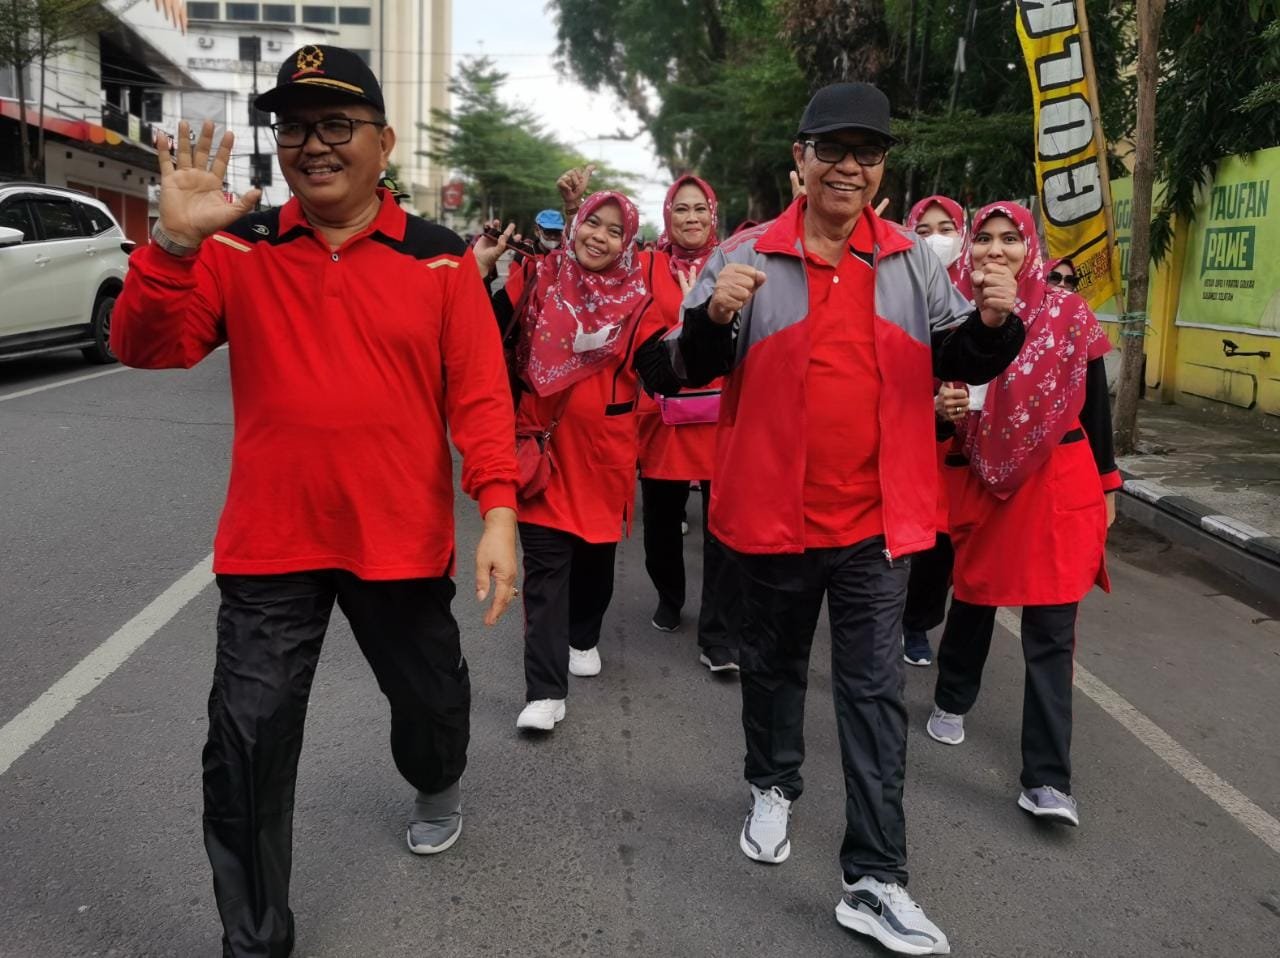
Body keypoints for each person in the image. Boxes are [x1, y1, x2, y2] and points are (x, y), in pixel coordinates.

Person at [110, 45, 519, 958]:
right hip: (273, 545)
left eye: (337, 124)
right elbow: (147, 348)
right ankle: (255, 940)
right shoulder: (238, 248)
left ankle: (436, 777)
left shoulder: (441, 261)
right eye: (294, 126)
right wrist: (171, 246)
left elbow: (482, 397)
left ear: (384, 142)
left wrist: (497, 511)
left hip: (401, 543)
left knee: (431, 704)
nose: (313, 144)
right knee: (245, 744)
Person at [668, 82, 1026, 955]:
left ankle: (874, 879)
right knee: (775, 665)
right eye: (833, 149)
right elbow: (677, 370)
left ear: (883, 171)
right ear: (801, 160)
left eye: (867, 153)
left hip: (878, 525)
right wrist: (715, 320)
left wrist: (992, 319)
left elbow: (960, 355)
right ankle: (772, 782)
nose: (849, 167)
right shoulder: (746, 256)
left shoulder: (907, 262)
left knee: (872, 695)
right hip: (772, 516)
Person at [925, 202, 1120, 829]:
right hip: (980, 482)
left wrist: (1109, 485)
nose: (996, 250)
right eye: (984, 239)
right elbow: (917, 406)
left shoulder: (1068, 315)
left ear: (1028, 248)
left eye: (1011, 239)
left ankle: (1046, 779)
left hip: (1060, 484)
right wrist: (942, 410)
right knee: (975, 598)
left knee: (1052, 629)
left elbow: (1097, 411)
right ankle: (953, 697)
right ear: (969, 248)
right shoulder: (946, 317)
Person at [477, 191, 683, 732]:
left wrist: (703, 323)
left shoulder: (639, 301)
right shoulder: (539, 278)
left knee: (593, 564)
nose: (601, 237)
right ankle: (544, 691)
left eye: (616, 231)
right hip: (541, 449)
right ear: (577, 224)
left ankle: (585, 632)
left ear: (628, 243)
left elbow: (662, 371)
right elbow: (479, 326)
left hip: (605, 456)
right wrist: (477, 273)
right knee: (546, 573)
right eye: (594, 223)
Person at [635, 174, 742, 672]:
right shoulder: (644, 266)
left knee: (726, 528)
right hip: (664, 417)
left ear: (713, 213)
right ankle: (670, 596)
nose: (692, 218)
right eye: (681, 209)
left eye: (701, 208)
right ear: (667, 215)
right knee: (660, 522)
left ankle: (719, 632)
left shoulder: (737, 261)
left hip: (729, 419)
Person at [900, 195, 971, 667]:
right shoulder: (894, 288)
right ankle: (884, 616)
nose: (934, 239)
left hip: (960, 450)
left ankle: (916, 623)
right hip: (905, 436)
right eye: (922, 231)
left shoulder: (981, 293)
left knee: (940, 545)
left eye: (946, 228)